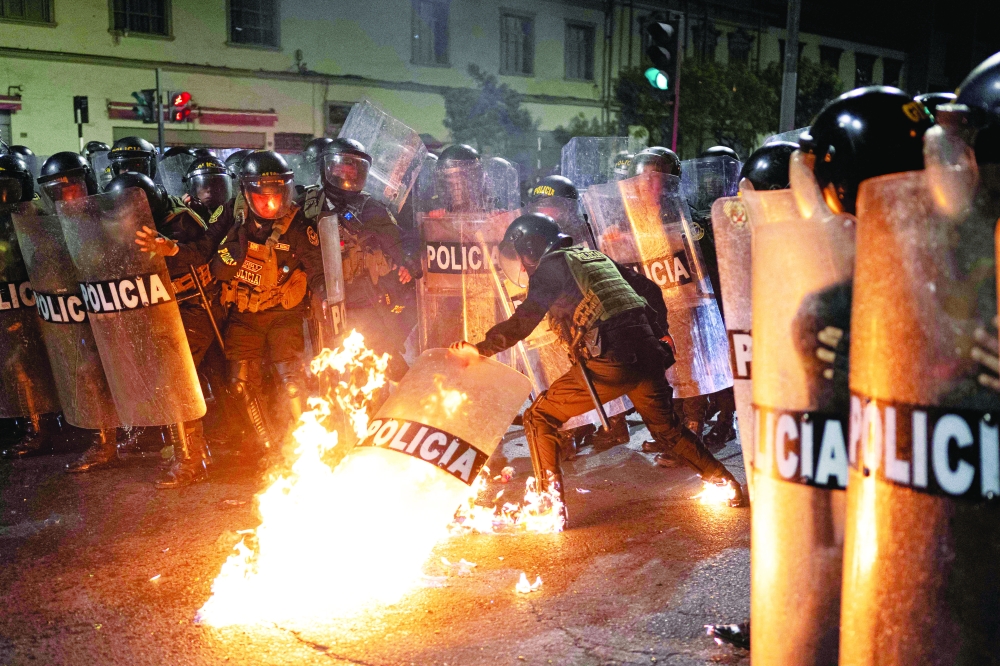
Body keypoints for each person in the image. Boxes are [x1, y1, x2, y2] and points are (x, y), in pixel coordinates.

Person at [450, 213, 746, 520]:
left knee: (539, 416)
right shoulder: (592, 257)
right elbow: (650, 290)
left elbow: (525, 319)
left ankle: (548, 508)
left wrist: (481, 349)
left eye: (521, 258)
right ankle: (727, 484)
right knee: (668, 432)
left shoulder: (551, 267)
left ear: (531, 248)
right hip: (648, 353)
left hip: (613, 360)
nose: (521, 267)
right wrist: (658, 332)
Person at [209, 151, 327, 456]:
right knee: (239, 383)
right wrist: (171, 251)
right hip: (244, 314)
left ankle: (302, 447)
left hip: (283, 314)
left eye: (276, 195)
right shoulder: (231, 215)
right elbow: (203, 247)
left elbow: (317, 267)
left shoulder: (298, 224)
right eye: (262, 197)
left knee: (291, 383)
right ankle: (269, 447)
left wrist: (327, 296)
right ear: (247, 193)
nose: (269, 203)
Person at [113, 172, 224, 487]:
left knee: (175, 375)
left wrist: (167, 249)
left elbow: (201, 255)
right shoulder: (126, 230)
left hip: (196, 306)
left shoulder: (181, 223)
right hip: (160, 310)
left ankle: (191, 458)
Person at [302, 138, 415, 378]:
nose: (346, 174)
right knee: (323, 371)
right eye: (341, 167)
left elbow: (396, 240)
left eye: (353, 168)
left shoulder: (370, 207)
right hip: (321, 301)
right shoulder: (307, 205)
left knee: (372, 370)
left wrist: (407, 262)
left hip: (363, 299)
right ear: (327, 167)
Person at [35, 152, 119, 471]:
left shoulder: (105, 215)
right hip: (83, 313)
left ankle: (169, 442)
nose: (64, 195)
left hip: (117, 311)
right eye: (57, 190)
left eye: (70, 187)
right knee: (89, 372)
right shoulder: (54, 226)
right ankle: (104, 443)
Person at [0, 154, 62, 459]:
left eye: (8, 187)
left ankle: (41, 430)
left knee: (34, 365)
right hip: (11, 303)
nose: (3, 195)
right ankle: (29, 426)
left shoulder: (36, 213)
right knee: (18, 365)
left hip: (40, 301)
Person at [182, 155, 233, 220]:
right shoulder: (183, 217)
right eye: (204, 185)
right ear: (194, 188)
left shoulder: (235, 214)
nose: (209, 189)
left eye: (215, 184)